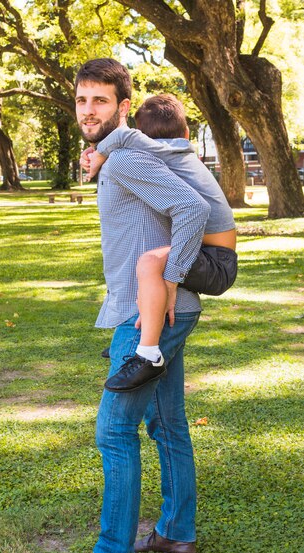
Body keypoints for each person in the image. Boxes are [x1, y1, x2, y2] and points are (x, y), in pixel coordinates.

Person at [43, 58, 211, 553]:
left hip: (151, 311)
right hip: (169, 306)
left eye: (100, 100)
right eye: (81, 100)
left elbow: (189, 209)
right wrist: (100, 157)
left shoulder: (125, 160)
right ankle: (176, 533)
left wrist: (166, 284)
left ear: (122, 105)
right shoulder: (125, 152)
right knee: (167, 425)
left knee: (114, 430)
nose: (88, 110)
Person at [81, 94, 237, 392]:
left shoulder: (165, 150)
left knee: (151, 262)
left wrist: (100, 150)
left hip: (218, 262)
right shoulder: (176, 152)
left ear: (143, 136)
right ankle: (126, 344)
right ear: (187, 131)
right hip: (213, 255)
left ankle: (147, 353)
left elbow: (124, 136)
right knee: (152, 259)